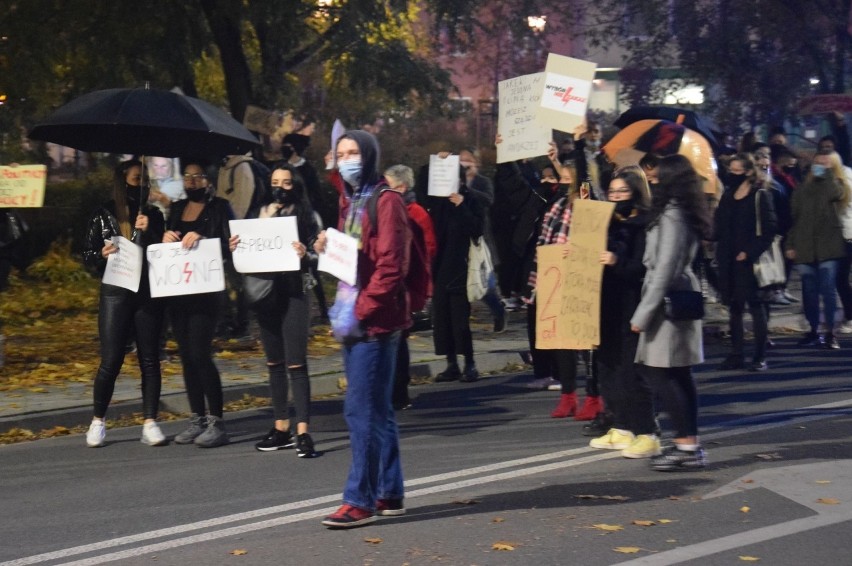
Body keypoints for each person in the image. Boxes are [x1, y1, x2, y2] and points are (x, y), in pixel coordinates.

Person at [317, 130, 411, 528]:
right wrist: (325, 246)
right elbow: (354, 253)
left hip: (373, 319)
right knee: (378, 410)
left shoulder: (386, 202)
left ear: (369, 157)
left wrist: (361, 309)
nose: (346, 160)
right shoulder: (351, 200)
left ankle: (360, 499)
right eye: (341, 154)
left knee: (361, 412)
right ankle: (389, 492)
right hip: (354, 313)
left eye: (354, 153)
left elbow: (391, 267)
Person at [230, 162, 320, 457]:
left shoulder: (307, 215)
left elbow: (320, 254)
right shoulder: (257, 214)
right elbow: (245, 253)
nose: (279, 187)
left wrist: (306, 254)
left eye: (286, 181)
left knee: (296, 363)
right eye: (274, 181)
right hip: (265, 295)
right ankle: (280, 426)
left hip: (294, 292)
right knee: (274, 363)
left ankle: (303, 431)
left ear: (295, 185)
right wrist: (235, 247)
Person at [630, 154, 712, 471]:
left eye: (657, 175)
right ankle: (688, 444)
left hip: (667, 303)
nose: (652, 178)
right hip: (676, 298)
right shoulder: (679, 211)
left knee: (661, 373)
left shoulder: (672, 215)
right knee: (677, 374)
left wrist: (642, 315)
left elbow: (664, 269)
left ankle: (686, 446)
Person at [81, 160, 166, 447]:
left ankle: (150, 421)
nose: (140, 184)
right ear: (122, 181)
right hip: (116, 291)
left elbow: (163, 253)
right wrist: (101, 253)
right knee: (111, 359)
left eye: (144, 179)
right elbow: (87, 254)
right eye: (134, 179)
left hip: (146, 292)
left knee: (150, 359)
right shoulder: (104, 213)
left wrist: (151, 230)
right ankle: (98, 421)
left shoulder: (153, 213)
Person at [587, 166, 658, 457]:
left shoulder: (646, 225)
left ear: (636, 193)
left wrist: (616, 260)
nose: (615, 197)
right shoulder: (609, 223)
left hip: (632, 303)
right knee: (608, 366)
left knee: (632, 371)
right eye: (612, 192)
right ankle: (621, 425)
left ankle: (647, 432)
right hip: (607, 305)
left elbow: (644, 269)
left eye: (622, 192)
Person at [166, 160, 237, 448]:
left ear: (207, 180)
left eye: (198, 176)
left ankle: (217, 421)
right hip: (177, 290)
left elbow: (232, 244)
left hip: (206, 292)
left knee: (199, 353)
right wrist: (166, 237)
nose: (192, 181)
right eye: (187, 176)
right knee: (185, 355)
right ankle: (196, 417)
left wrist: (207, 239)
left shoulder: (220, 207)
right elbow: (163, 249)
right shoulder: (175, 209)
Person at [714, 153, 778, 372]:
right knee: (734, 308)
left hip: (751, 262)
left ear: (749, 172)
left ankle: (760, 356)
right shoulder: (728, 195)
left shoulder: (760, 195)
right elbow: (719, 225)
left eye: (737, 171)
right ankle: (736, 354)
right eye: (730, 170)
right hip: (729, 260)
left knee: (756, 308)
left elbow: (769, 230)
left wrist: (749, 253)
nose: (732, 174)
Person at [384, 164, 436, 410]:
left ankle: (399, 391)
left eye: (388, 186)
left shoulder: (415, 213)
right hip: (395, 285)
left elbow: (427, 250)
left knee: (399, 339)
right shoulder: (392, 210)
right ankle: (394, 391)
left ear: (401, 187)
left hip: (405, 285)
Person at [429, 157, 486, 383]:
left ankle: (469, 363)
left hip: (462, 267)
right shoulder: (438, 202)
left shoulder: (472, 200)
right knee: (442, 319)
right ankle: (451, 362)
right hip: (440, 266)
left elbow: (477, 229)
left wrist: (462, 206)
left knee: (460, 320)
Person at [785, 150, 848, 349]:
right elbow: (794, 219)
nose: (819, 166)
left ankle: (831, 332)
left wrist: (828, 174)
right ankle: (813, 330)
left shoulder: (838, 185)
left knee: (828, 290)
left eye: (825, 163)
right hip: (804, 245)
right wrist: (790, 244)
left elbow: (836, 194)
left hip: (829, 245)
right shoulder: (802, 189)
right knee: (809, 291)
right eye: (817, 163)